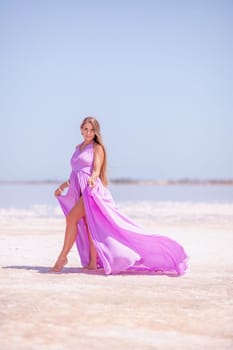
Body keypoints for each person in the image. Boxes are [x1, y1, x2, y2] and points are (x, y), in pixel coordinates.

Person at [50, 116, 188, 275]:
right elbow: (76, 172)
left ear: (96, 132)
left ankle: (62, 258)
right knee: (90, 226)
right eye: (86, 129)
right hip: (77, 189)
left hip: (90, 191)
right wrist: (63, 186)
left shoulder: (97, 148)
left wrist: (93, 180)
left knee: (71, 219)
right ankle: (93, 263)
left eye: (92, 130)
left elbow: (95, 170)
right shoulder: (78, 148)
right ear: (81, 129)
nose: (88, 133)